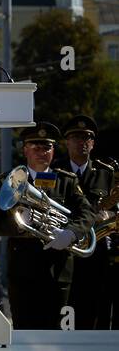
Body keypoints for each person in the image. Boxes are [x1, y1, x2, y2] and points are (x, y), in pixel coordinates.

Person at [0, 123, 98, 329]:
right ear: (25, 150)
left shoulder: (66, 181)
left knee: (57, 334)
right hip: (23, 271)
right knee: (24, 333)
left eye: (47, 147)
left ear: (53, 151)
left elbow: (88, 212)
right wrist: (18, 225)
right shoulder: (9, 182)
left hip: (58, 271)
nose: (42, 152)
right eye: (35, 147)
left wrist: (70, 233)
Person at [53, 115, 116, 329]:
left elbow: (115, 208)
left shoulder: (105, 173)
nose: (83, 142)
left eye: (88, 138)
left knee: (95, 309)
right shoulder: (54, 171)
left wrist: (109, 216)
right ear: (67, 142)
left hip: (97, 253)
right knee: (64, 312)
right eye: (77, 138)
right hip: (63, 252)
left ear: (93, 143)